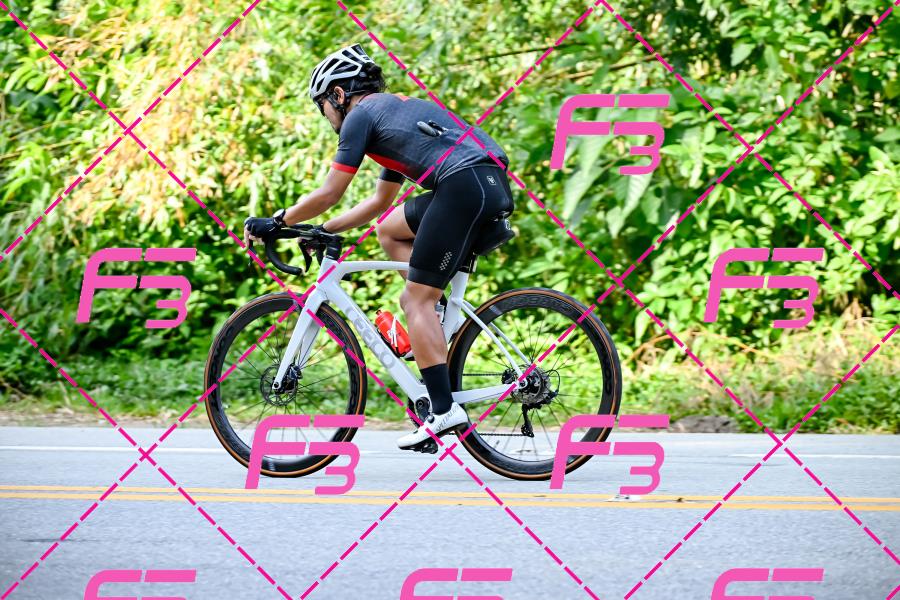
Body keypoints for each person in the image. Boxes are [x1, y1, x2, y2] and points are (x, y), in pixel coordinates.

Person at [243, 44, 514, 450]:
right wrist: (323, 230)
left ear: (338, 94)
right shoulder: (392, 117)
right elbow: (378, 204)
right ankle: (437, 314)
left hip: (463, 187)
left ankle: (443, 411)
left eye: (322, 105)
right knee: (390, 230)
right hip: (485, 183)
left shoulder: (361, 117)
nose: (325, 116)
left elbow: (331, 192)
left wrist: (279, 221)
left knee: (415, 300)